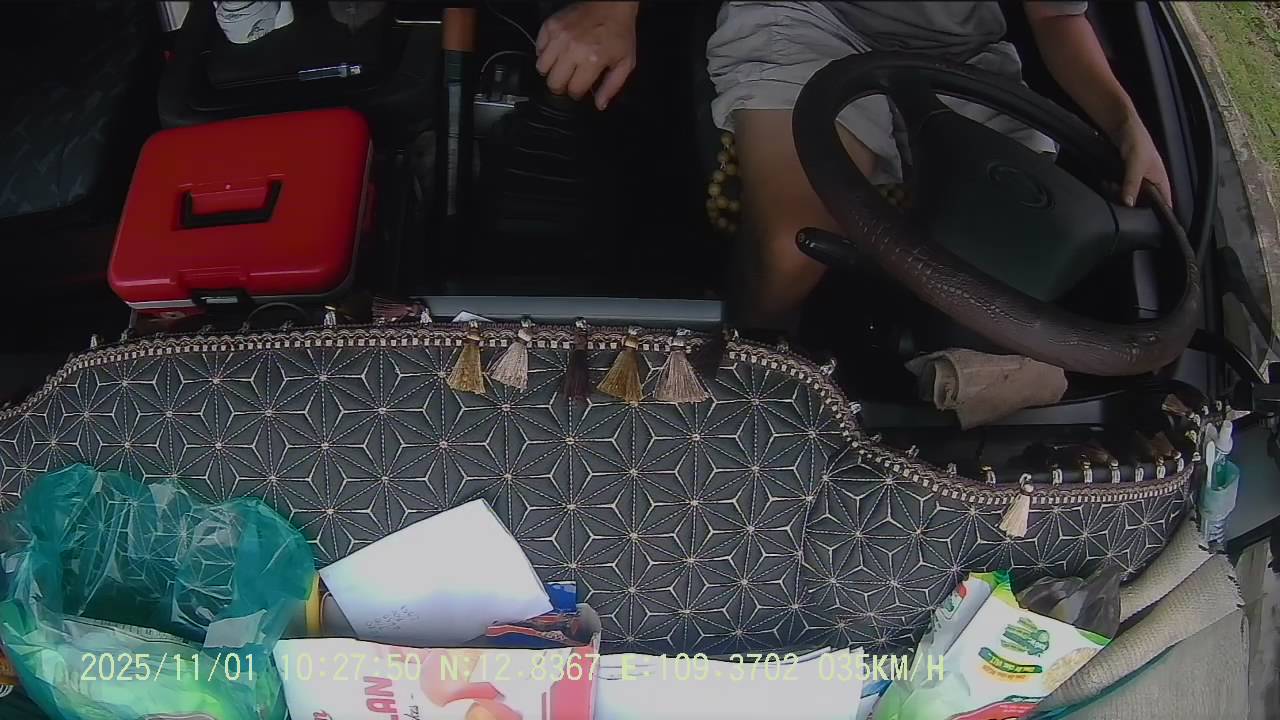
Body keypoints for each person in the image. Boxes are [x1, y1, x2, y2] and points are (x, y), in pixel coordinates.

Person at [535, 2, 1172, 330]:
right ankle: (750, 362)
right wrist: (615, 8)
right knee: (797, 244)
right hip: (803, 17)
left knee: (1017, 278)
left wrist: (1126, 123)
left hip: (967, 60)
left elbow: (1057, 15)